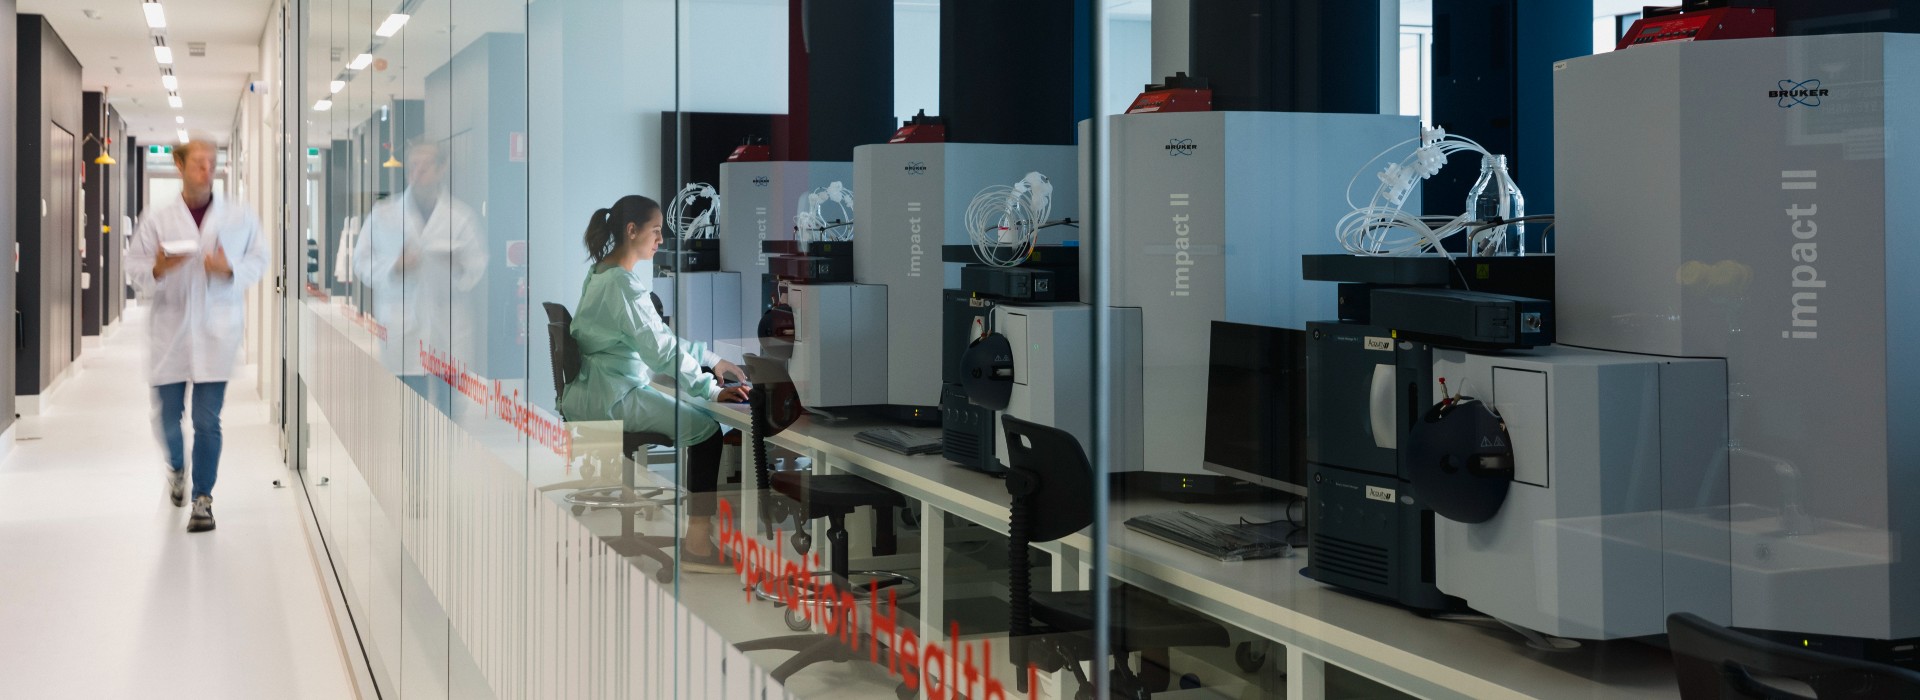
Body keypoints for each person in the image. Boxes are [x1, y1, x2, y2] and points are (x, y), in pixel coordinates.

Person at [561, 195, 748, 572]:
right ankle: (697, 544)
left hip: (592, 391)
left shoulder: (601, 273)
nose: (661, 240)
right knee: (707, 430)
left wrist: (710, 360)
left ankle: (696, 535)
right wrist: (710, 388)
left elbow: (659, 337)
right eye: (656, 231)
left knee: (697, 414)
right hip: (612, 397)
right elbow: (660, 352)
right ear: (633, 231)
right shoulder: (622, 285)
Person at [126, 136, 270, 533]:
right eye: (199, 163)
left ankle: (203, 499)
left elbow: (260, 260)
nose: (207, 169)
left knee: (208, 421)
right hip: (170, 331)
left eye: (212, 162)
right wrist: (157, 268)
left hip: (215, 333)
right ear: (180, 165)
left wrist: (229, 270)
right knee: (167, 419)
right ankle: (176, 467)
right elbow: (134, 265)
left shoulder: (238, 216)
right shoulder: (157, 218)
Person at [351, 139, 486, 397]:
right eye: (413, 166)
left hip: (448, 326)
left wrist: (458, 266)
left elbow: (477, 264)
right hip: (403, 326)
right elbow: (361, 261)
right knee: (412, 407)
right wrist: (395, 266)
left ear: (441, 168)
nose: (417, 172)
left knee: (448, 409)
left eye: (425, 166)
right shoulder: (384, 214)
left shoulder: (460, 216)